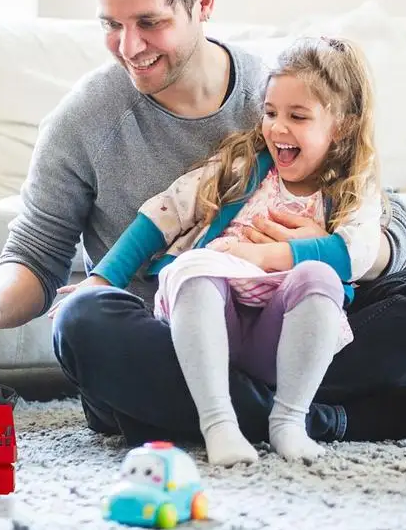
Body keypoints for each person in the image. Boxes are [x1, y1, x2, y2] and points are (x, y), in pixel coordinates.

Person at [0, 0, 406, 450]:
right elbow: (37, 251)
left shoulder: (278, 97)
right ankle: (321, 419)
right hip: (171, 337)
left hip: (293, 317)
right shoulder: (84, 120)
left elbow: (384, 216)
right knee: (82, 322)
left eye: (150, 22)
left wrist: (313, 253)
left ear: (203, 3)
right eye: (112, 25)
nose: (130, 47)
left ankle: (224, 413)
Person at [52, 36, 385, 465]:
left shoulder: (354, 187)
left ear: (341, 125)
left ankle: (289, 420)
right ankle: (219, 423)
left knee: (324, 278)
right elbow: (164, 214)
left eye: (297, 117)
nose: (277, 128)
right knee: (191, 269)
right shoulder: (244, 164)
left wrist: (269, 257)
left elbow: (358, 251)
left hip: (284, 335)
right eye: (270, 113)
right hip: (209, 324)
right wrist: (100, 280)